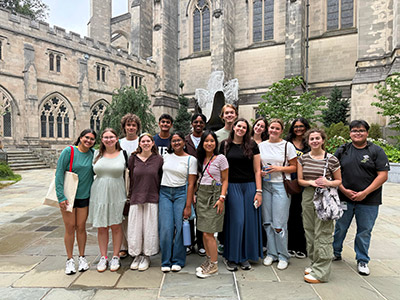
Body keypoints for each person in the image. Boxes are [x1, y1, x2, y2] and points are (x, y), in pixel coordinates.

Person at [333, 120, 389, 276]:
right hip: (345, 197)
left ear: (367, 133)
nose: (358, 133)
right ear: (350, 133)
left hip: (369, 200)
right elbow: (332, 171)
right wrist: (343, 190)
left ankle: (362, 260)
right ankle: (335, 251)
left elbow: (383, 175)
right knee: (340, 227)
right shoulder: (343, 150)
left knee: (364, 231)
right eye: (354, 130)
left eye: (361, 130)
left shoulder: (376, 151)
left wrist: (365, 192)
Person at [297, 128, 341, 283]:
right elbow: (300, 180)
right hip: (308, 195)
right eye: (311, 139)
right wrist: (310, 182)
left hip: (325, 197)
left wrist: (328, 182)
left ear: (323, 140)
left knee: (323, 232)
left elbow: (338, 181)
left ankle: (321, 273)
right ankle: (315, 263)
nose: (314, 141)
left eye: (317, 138)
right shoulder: (303, 159)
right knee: (309, 231)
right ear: (308, 141)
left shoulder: (332, 159)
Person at [220, 118, 263, 271]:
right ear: (234, 127)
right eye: (239, 126)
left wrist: (259, 191)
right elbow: (221, 169)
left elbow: (257, 170)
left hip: (250, 186)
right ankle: (231, 256)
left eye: (244, 127)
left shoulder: (252, 145)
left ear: (247, 130)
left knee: (249, 222)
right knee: (237, 221)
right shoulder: (225, 145)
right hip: (232, 186)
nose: (241, 129)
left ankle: (244, 257)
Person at [56, 129, 96, 275]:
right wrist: (60, 196)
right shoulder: (69, 151)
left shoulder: (93, 154)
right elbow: (59, 173)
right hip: (68, 197)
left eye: (92, 139)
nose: (89, 141)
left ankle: (82, 257)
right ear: (80, 137)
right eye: (87, 137)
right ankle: (69, 260)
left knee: (81, 227)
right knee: (70, 227)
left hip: (84, 197)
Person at [259, 119, 297, 270]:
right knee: (267, 221)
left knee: (279, 223)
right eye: (272, 128)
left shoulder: (288, 146)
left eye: (277, 128)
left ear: (281, 131)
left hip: (281, 185)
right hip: (266, 185)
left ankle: (283, 255)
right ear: (268, 129)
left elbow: (294, 167)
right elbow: (257, 165)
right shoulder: (261, 146)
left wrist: (278, 168)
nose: (274, 130)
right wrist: (261, 172)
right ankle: (272, 253)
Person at [88, 128, 126, 272]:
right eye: (105, 137)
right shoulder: (96, 154)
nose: (109, 139)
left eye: (111, 137)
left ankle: (115, 256)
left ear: (117, 139)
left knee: (116, 225)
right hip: (99, 192)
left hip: (117, 193)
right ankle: (104, 257)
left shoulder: (123, 154)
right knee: (102, 226)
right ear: (102, 140)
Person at [159, 132, 197, 272]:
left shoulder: (191, 160)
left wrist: (188, 205)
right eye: (173, 141)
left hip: (181, 192)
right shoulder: (165, 157)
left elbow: (191, 184)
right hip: (164, 193)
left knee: (181, 227)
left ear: (184, 142)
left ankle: (178, 260)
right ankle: (166, 260)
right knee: (166, 228)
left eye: (179, 140)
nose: (176, 143)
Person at [127, 133, 163, 271]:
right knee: (135, 228)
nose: (146, 143)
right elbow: (130, 177)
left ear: (153, 143)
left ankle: (147, 255)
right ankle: (136, 255)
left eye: (148, 141)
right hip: (136, 196)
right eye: (143, 141)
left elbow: (160, 178)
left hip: (152, 196)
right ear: (139, 143)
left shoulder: (158, 159)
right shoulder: (133, 158)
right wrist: (129, 195)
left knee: (150, 228)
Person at [195, 130, 229, 278]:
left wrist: (222, 198)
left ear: (216, 143)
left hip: (215, 196)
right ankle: (209, 260)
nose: (209, 144)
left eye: (212, 141)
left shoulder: (221, 158)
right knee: (203, 230)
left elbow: (226, 179)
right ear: (202, 143)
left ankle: (214, 265)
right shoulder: (200, 159)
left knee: (209, 232)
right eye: (206, 141)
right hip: (202, 195)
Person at [285, 118, 311, 259]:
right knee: (290, 215)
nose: (299, 129)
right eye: (296, 126)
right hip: (290, 184)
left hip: (306, 184)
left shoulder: (310, 144)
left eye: (301, 126)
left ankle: (301, 246)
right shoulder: (287, 143)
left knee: (303, 215)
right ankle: (289, 245)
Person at [215, 104, 238, 254]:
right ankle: (222, 241)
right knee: (223, 211)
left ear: (236, 115)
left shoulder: (241, 132)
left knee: (236, 212)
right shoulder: (217, 135)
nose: (229, 115)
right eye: (226, 113)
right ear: (222, 116)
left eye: (232, 112)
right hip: (223, 178)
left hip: (238, 178)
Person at [118, 113, 141, 259]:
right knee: (123, 215)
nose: (131, 128)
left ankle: (136, 244)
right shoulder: (119, 142)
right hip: (122, 180)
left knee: (136, 214)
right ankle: (123, 246)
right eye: (128, 125)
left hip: (139, 181)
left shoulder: (142, 141)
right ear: (124, 127)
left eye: (134, 125)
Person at [185, 113, 207, 256]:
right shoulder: (186, 140)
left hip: (205, 178)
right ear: (192, 123)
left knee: (202, 212)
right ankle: (189, 243)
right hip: (189, 178)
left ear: (204, 124)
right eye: (196, 122)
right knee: (190, 210)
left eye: (201, 122)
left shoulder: (208, 138)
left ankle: (201, 243)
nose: (198, 124)